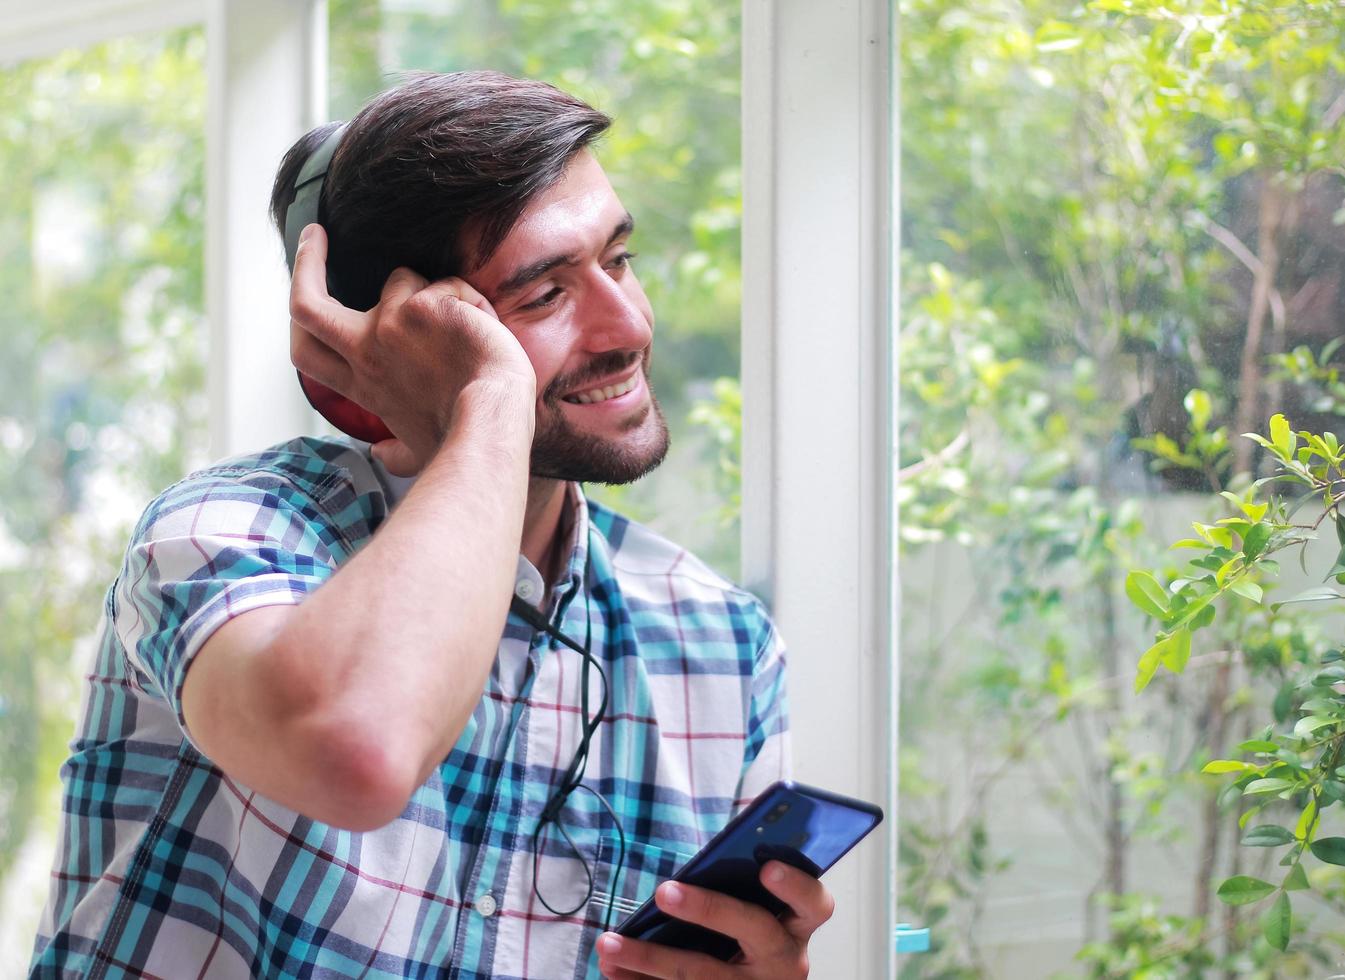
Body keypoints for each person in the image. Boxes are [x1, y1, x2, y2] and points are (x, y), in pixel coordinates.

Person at [29, 70, 832, 979]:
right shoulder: (229, 530)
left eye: (617, 261)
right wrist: (489, 397)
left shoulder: (721, 642)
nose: (627, 325)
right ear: (384, 341)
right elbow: (358, 752)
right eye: (542, 295)